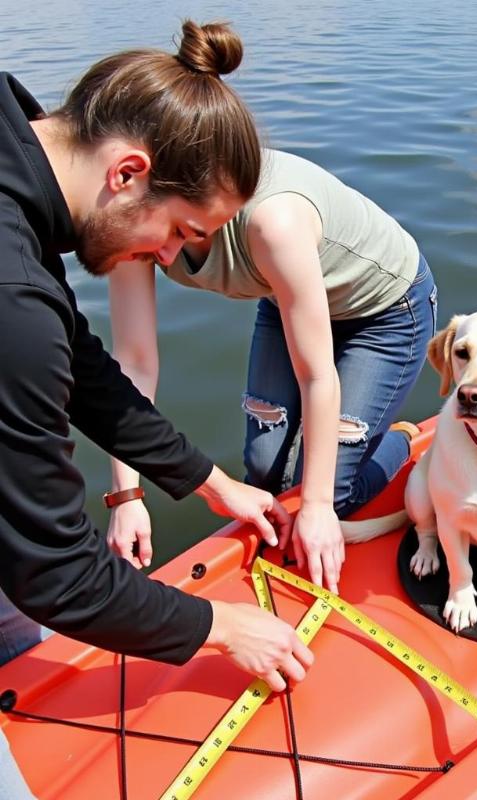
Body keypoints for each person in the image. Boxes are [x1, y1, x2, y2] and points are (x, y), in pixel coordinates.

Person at [0, 21, 313, 798]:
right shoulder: (12, 303)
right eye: (181, 231)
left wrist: (209, 480)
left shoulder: (18, 143)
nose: (173, 257)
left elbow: (82, 364)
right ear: (129, 172)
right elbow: (58, 572)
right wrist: (220, 626)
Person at [107, 149, 438, 594]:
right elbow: (134, 363)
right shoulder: (133, 221)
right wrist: (127, 496)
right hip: (288, 300)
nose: (163, 255)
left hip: (384, 311)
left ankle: (396, 438)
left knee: (323, 493)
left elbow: (317, 375)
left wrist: (319, 506)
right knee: (263, 470)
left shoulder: (272, 222)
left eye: (178, 234)